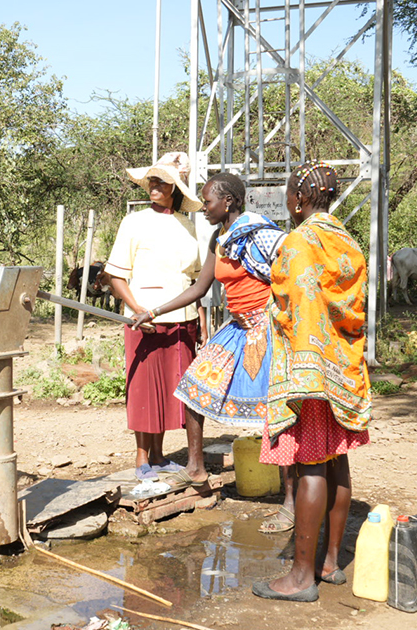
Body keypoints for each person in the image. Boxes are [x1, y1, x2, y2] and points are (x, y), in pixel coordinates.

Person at [130, 173, 295, 509]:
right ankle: (195, 467)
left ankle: (291, 500)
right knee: (192, 388)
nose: (204, 208)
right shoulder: (218, 240)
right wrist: (154, 312)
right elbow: (198, 289)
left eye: (208, 202)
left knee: (280, 412)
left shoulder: (259, 234)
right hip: (236, 329)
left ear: (228, 201)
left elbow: (292, 269)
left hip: (266, 329)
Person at [250, 161, 372, 602]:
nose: (287, 201)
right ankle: (330, 562)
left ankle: (301, 579)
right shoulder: (346, 241)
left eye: (288, 193)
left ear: (299, 199)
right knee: (338, 460)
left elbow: (291, 304)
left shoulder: (299, 241)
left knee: (309, 467)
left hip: (307, 374)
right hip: (342, 369)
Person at [104, 152, 206, 482]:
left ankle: (161, 455)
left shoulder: (187, 226)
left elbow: (195, 279)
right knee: (143, 389)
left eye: (162, 181)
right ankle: (141, 456)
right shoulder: (134, 222)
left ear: (175, 188)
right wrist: (136, 309)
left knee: (170, 388)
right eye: (152, 179)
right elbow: (116, 276)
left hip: (182, 320)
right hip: (144, 319)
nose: (154, 185)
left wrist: (201, 319)